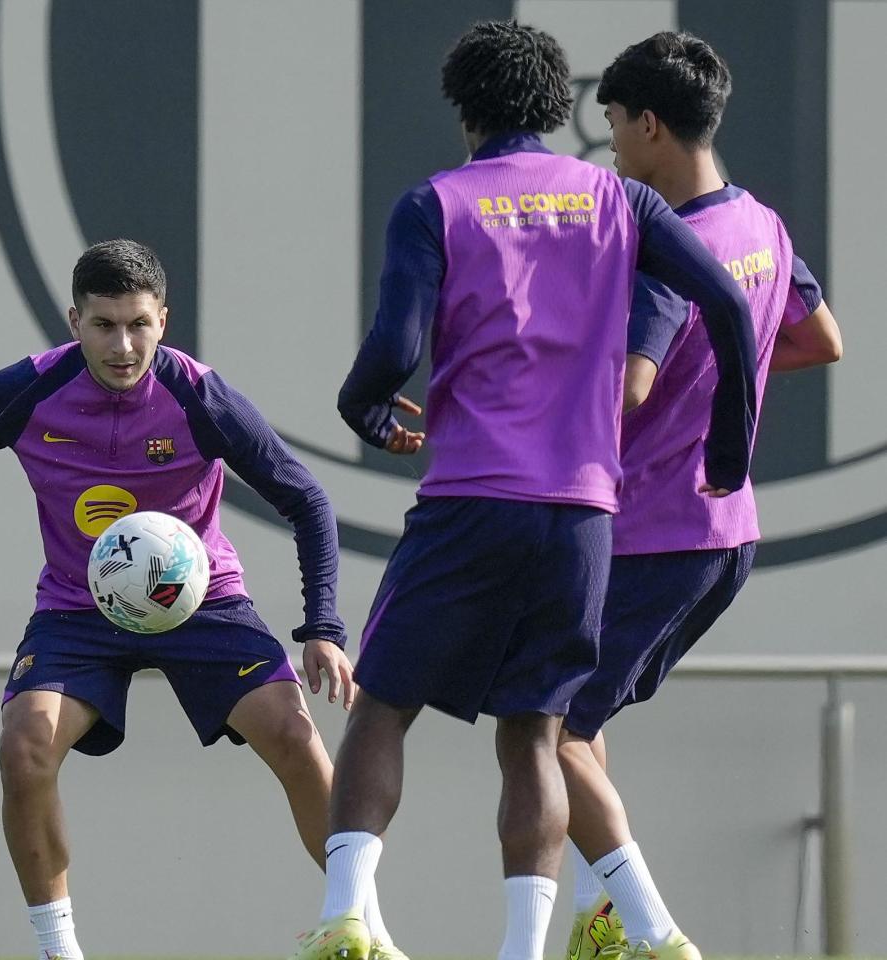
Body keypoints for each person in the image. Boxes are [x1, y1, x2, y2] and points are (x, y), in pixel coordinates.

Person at [293, 20, 761, 960]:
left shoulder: (435, 204)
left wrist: (365, 407)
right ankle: (523, 951)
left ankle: (346, 914)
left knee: (383, 704)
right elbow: (726, 306)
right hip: (585, 514)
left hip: (471, 497)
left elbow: (393, 352)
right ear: (557, 108)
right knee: (536, 734)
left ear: (464, 109)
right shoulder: (623, 199)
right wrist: (728, 444)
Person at [0, 239, 381, 960]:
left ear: (163, 319)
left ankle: (359, 928)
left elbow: (307, 498)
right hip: (78, 608)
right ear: (74, 321)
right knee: (25, 745)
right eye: (104, 325)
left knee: (293, 733)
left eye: (138, 324)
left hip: (203, 604)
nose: (123, 345)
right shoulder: (30, 389)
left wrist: (322, 625)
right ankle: (59, 951)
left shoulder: (199, 395)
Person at [560, 32, 844, 960]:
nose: (608, 145)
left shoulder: (666, 245)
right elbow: (817, 339)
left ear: (648, 126)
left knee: (545, 730)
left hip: (654, 529)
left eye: (610, 125)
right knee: (580, 724)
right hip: (724, 532)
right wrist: (723, 380)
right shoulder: (760, 223)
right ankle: (606, 927)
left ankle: (652, 935)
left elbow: (629, 388)